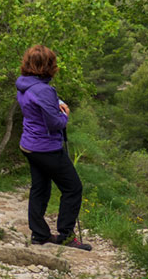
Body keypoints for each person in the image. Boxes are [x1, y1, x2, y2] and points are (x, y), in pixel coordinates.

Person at [15, 44, 92, 251]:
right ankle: (66, 235)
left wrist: (56, 102)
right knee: (73, 187)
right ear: (48, 66)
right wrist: (65, 114)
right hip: (46, 147)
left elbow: (42, 103)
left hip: (29, 145)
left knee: (40, 188)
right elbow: (55, 123)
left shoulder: (24, 85)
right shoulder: (43, 90)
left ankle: (39, 235)